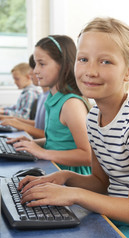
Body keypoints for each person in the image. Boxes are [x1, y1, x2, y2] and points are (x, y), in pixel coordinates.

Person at [18, 17, 129, 238]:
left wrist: (73, 194)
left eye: (105, 62)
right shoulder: (93, 117)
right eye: (83, 59)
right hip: (112, 214)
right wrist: (64, 177)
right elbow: (101, 183)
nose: (90, 71)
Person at [9, 35, 91, 175]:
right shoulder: (54, 98)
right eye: (35, 64)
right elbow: (59, 142)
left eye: (42, 64)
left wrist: (44, 153)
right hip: (54, 169)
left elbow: (87, 155)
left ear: (63, 65)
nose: (35, 71)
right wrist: (34, 143)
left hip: (71, 177)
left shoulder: (71, 104)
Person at [0, 55, 49, 138]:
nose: (30, 73)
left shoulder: (31, 93)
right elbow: (38, 124)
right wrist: (6, 116)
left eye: (41, 64)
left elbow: (50, 136)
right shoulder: (42, 95)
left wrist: (13, 120)